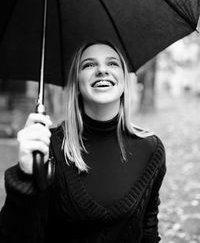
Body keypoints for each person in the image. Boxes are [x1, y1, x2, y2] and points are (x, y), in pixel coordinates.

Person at [0, 40, 166, 243]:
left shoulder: (151, 149)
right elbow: (17, 236)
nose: (102, 70)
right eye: (88, 65)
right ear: (77, 83)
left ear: (124, 80)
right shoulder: (47, 147)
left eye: (112, 63)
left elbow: (148, 232)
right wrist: (25, 176)